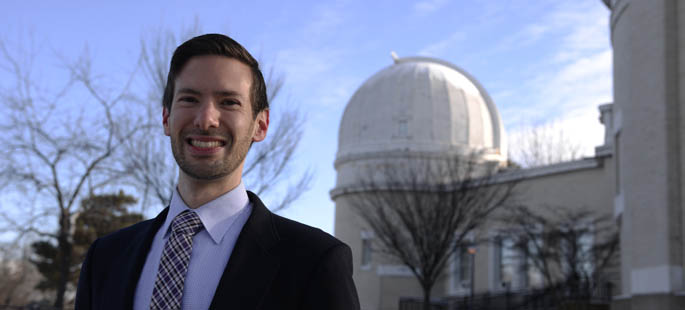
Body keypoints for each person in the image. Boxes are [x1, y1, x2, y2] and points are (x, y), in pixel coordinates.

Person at [75, 33, 360, 310]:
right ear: (166, 118)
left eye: (229, 102)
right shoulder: (105, 259)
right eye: (189, 99)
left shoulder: (314, 262)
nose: (206, 119)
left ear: (260, 125)